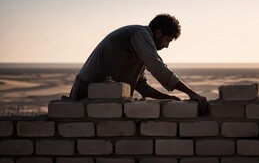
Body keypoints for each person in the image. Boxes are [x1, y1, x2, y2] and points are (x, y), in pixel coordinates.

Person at [69, 14, 208, 113]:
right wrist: (191, 93)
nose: (167, 46)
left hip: (102, 97)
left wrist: (169, 98)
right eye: (168, 40)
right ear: (158, 33)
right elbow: (158, 67)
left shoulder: (140, 49)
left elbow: (142, 86)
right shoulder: (140, 34)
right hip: (86, 89)